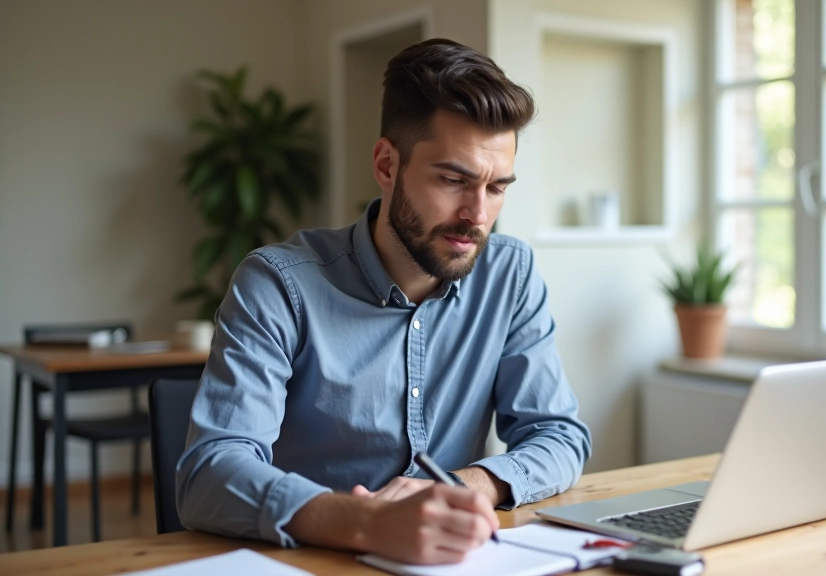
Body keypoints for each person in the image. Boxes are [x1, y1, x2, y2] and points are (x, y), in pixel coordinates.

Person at [176, 38, 592, 565]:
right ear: (386, 164)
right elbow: (209, 473)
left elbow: (558, 435)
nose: (477, 215)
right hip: (307, 559)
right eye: (453, 180)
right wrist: (368, 523)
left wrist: (471, 485)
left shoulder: (509, 273)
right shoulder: (277, 284)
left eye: (496, 188)